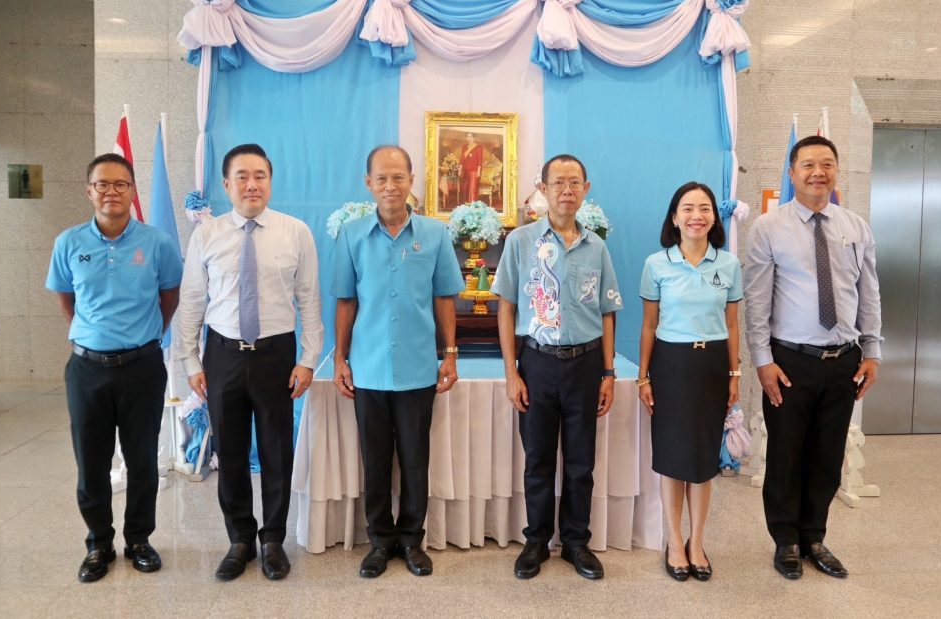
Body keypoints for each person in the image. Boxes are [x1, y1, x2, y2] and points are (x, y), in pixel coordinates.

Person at [174, 143, 323, 581]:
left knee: (277, 451)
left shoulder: (295, 232)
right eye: (242, 176)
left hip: (277, 355)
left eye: (260, 176)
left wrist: (309, 359)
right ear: (227, 185)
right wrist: (191, 362)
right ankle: (240, 539)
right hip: (222, 355)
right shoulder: (207, 235)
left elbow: (310, 299)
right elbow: (192, 301)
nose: (251, 184)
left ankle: (273, 539)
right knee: (231, 452)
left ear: (270, 182)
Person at [744, 135, 882, 580]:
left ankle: (814, 537)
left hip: (844, 361)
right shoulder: (768, 227)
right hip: (790, 362)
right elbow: (756, 302)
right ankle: (785, 539)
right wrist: (762, 361)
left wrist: (872, 350)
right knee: (785, 455)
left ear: (837, 171)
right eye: (807, 165)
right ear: (792, 172)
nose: (817, 172)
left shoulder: (855, 227)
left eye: (826, 164)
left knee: (827, 456)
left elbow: (869, 293)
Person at [46, 153, 183, 583]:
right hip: (87, 369)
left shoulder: (157, 243)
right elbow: (66, 299)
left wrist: (146, 336)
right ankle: (98, 544)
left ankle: (139, 540)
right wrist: (92, 337)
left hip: (142, 367)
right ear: (89, 191)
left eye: (120, 184)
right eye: (102, 184)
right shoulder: (68, 242)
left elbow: (170, 296)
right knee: (91, 461)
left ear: (133, 190)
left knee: (142, 460)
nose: (111, 192)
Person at [333, 145, 463, 578]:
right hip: (368, 368)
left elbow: (444, 297)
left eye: (398, 178)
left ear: (411, 181)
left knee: (414, 459)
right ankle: (379, 542)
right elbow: (346, 300)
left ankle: (410, 540)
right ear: (368, 183)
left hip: (417, 368)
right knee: (374, 461)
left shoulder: (435, 234)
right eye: (382, 179)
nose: (390, 186)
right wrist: (340, 358)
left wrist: (449, 354)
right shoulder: (351, 235)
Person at [492, 154, 622, 581]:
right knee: (538, 459)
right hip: (537, 363)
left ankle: (576, 542)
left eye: (575, 182)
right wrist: (511, 372)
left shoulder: (596, 247)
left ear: (586, 189)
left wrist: (608, 374)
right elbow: (506, 308)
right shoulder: (521, 242)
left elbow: (607, 312)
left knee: (581, 462)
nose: (567, 190)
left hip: (585, 364)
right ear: (543, 189)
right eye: (558, 182)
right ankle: (536, 541)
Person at [637, 182, 742, 582]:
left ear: (714, 217)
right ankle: (674, 541)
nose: (696, 215)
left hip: (712, 364)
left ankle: (697, 542)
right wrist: (643, 377)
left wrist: (734, 373)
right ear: (675, 217)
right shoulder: (656, 264)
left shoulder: (728, 264)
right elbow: (649, 325)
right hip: (671, 365)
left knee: (702, 461)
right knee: (673, 459)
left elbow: (732, 325)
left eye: (704, 208)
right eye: (688, 208)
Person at [459, 132, 483, 203]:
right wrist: (460, 169)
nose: (469, 138)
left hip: (474, 170)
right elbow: (462, 159)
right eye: (468, 136)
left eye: (471, 137)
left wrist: (479, 170)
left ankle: (472, 204)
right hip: (465, 170)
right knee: (465, 188)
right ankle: (466, 204)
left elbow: (480, 159)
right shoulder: (464, 147)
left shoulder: (478, 147)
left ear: (474, 138)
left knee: (472, 188)